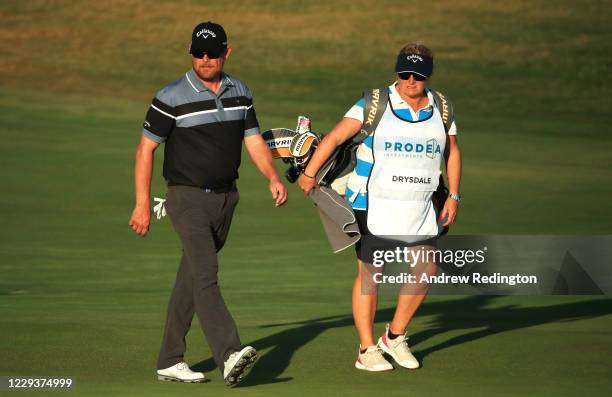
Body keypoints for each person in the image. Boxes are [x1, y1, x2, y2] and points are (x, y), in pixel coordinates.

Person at [128, 21, 287, 386]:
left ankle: (170, 359)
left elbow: (253, 141)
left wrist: (273, 178)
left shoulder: (240, 91)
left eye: (211, 53)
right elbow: (145, 149)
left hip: (226, 200)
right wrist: (141, 205)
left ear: (226, 52)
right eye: (198, 54)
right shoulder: (170, 96)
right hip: (186, 198)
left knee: (190, 279)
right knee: (205, 275)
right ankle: (229, 353)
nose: (204, 60)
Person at [298, 43, 462, 372]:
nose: (411, 80)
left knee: (426, 270)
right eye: (405, 73)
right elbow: (333, 139)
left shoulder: (442, 106)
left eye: (418, 74)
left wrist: (454, 196)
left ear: (428, 74)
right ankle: (366, 349)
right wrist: (308, 174)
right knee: (372, 275)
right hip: (373, 205)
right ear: (397, 71)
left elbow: (452, 152)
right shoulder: (375, 103)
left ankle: (394, 337)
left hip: (420, 206)